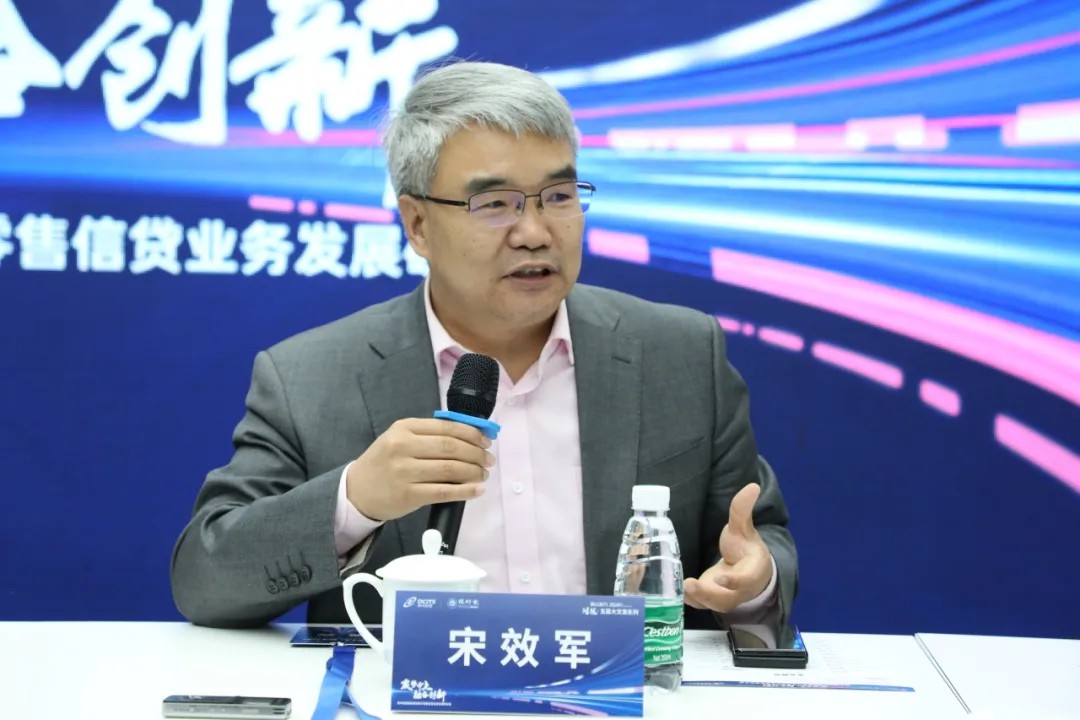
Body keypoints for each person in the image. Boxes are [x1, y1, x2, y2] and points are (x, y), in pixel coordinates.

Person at [170, 61, 797, 630]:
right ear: (417, 223)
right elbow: (205, 579)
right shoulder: (310, 376)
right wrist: (357, 500)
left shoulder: (680, 354)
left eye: (558, 197)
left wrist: (755, 579)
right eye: (495, 204)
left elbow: (757, 538)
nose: (534, 232)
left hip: (619, 696)